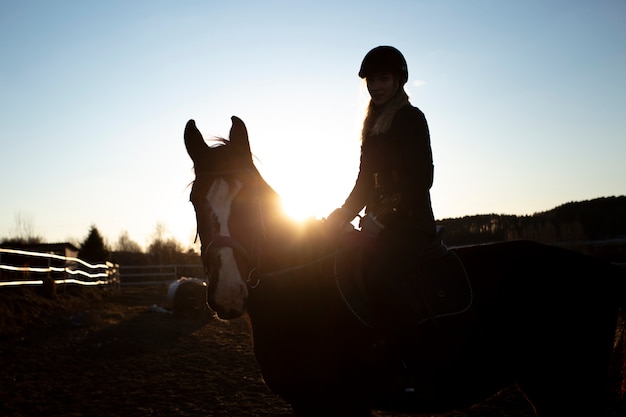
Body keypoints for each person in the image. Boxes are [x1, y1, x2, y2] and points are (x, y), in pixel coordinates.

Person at [327, 46, 439, 263]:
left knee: (383, 270)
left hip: (410, 227)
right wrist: (344, 213)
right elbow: (364, 182)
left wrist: (383, 215)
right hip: (375, 227)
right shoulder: (371, 129)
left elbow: (422, 178)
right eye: (371, 81)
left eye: (383, 79)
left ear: (398, 81)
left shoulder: (411, 118)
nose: (376, 87)